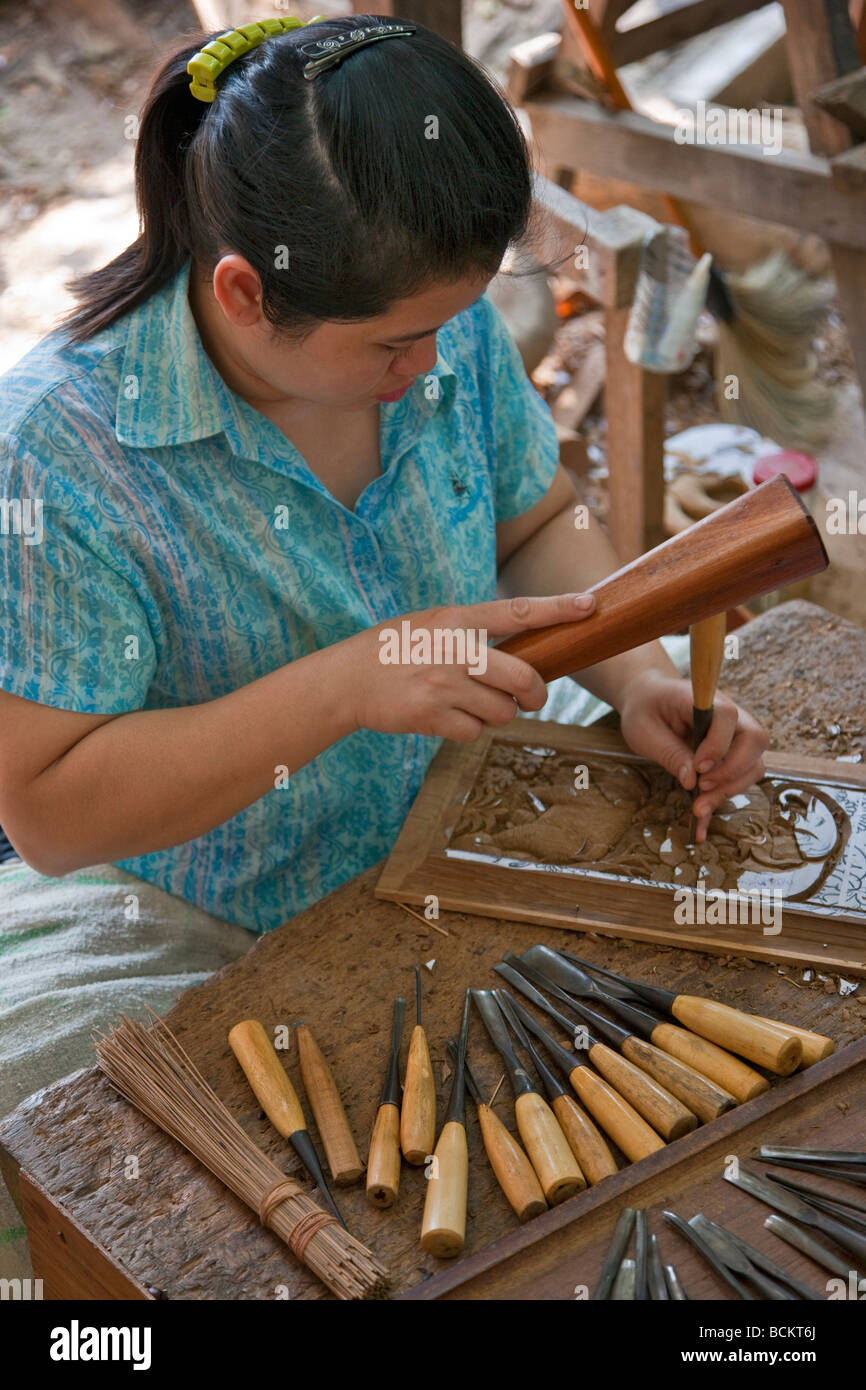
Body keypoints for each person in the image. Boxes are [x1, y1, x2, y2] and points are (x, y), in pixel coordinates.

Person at [0, 15, 767, 935]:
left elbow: (533, 524)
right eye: (396, 343)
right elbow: (47, 815)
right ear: (247, 293)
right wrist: (349, 686)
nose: (435, 360)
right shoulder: (58, 455)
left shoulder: (431, 318)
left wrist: (638, 678)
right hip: (215, 912)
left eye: (455, 321)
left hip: (470, 819)